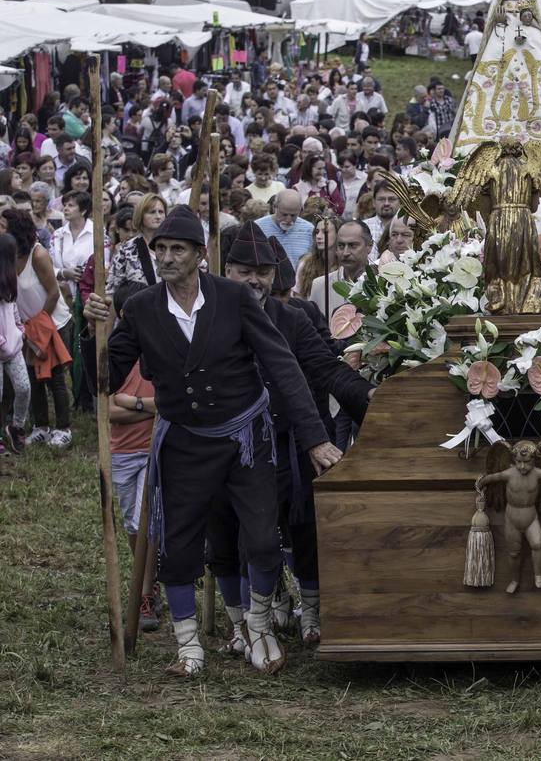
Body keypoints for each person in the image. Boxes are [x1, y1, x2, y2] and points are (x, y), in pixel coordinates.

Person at [85, 206, 344, 678]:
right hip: (184, 443)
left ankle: (260, 626)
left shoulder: (232, 297)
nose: (166, 257)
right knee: (180, 546)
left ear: (200, 255)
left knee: (264, 539)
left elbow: (283, 367)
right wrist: (94, 331)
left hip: (246, 440)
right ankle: (189, 647)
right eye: (160, 249)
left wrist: (313, 439)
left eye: (176, 249)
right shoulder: (142, 307)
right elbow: (101, 380)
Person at [208, 225, 371, 650]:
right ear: (227, 271)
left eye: (262, 272)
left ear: (275, 273)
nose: (253, 280)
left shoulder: (293, 318)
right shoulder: (208, 318)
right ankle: (247, 621)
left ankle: (312, 612)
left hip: (296, 442)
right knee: (239, 535)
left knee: (307, 529)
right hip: (232, 447)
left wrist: (371, 399)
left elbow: (328, 369)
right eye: (244, 271)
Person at [108, 280, 159, 630]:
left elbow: (172, 402)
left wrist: (135, 404)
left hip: (155, 447)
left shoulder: (161, 347)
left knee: (149, 522)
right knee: (132, 521)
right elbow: (109, 411)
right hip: (123, 452)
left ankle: (145, 590)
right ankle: (146, 576)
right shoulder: (114, 353)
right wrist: (151, 407)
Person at [7, 208, 73, 447]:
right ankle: (42, 426)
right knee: (32, 377)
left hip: (52, 324)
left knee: (55, 378)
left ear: (16, 230)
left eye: (2, 226)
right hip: (26, 328)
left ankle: (64, 428)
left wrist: (39, 325)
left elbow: (54, 293)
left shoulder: (38, 254)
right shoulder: (7, 255)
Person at [0, 234, 30, 455]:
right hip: (2, 345)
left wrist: (20, 330)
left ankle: (16, 426)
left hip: (13, 346)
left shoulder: (11, 278)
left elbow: (13, 308)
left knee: (23, 387)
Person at [107, 194, 165, 290]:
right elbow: (113, 288)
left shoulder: (174, 246)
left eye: (161, 212)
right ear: (141, 215)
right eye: (152, 212)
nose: (158, 216)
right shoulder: (127, 250)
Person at [254, 190, 315, 272]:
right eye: (284, 214)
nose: (288, 219)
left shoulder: (309, 229)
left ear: (300, 211)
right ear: (274, 207)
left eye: (293, 215)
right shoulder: (258, 227)